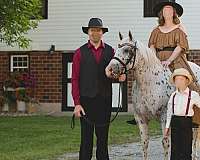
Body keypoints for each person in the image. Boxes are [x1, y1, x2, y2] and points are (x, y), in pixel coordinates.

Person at [71, 17, 125, 160]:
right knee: (86, 140)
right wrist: (77, 104)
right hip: (86, 101)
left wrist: (120, 77)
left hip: (104, 100)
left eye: (98, 30)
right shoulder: (79, 53)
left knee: (103, 139)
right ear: (88, 32)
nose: (95, 33)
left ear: (102, 32)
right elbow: (75, 79)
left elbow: (115, 73)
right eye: (92, 30)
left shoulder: (111, 51)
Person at [148, 0, 200, 125]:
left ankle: (194, 115)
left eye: (170, 10)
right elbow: (152, 46)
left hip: (175, 58)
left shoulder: (179, 29)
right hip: (158, 59)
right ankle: (143, 111)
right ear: (162, 13)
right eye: (165, 10)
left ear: (174, 13)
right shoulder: (156, 30)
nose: (167, 12)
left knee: (188, 82)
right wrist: (155, 60)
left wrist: (169, 60)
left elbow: (180, 47)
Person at [164, 68, 200, 160]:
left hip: (186, 122)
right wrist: (167, 127)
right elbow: (169, 112)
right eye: (176, 80)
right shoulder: (173, 95)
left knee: (186, 149)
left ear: (186, 81)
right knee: (175, 149)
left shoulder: (193, 95)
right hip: (175, 122)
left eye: (181, 79)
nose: (179, 82)